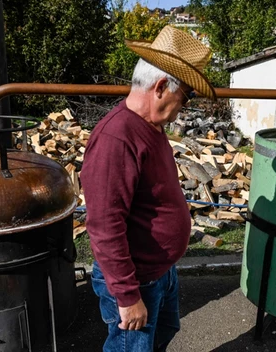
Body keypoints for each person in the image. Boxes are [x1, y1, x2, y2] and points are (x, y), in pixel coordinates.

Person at [80, 25, 216, 352]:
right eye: (183, 97)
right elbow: (104, 225)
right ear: (160, 87)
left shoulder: (150, 127)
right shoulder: (117, 138)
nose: (183, 107)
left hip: (159, 273)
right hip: (136, 281)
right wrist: (127, 297)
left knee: (161, 335)